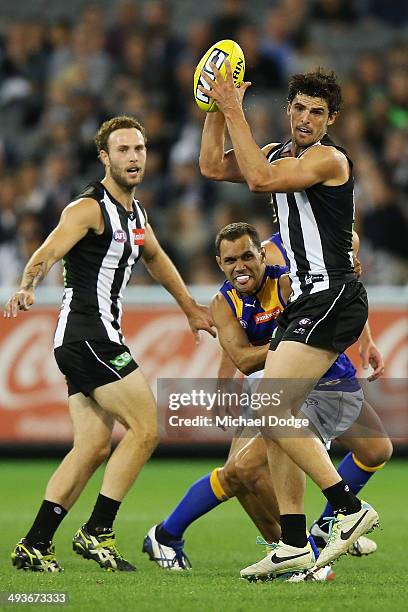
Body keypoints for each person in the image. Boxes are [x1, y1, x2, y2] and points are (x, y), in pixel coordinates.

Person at [4, 115, 215, 573]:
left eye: (139, 149)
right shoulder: (89, 208)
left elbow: (156, 259)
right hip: (87, 335)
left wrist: (190, 309)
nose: (134, 157)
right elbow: (47, 251)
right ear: (105, 157)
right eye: (123, 150)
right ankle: (98, 530)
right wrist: (27, 283)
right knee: (146, 428)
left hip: (89, 339)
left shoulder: (136, 215)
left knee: (94, 446)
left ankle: (35, 543)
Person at [198, 66, 381, 576]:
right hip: (307, 302)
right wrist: (213, 108)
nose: (305, 118)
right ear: (289, 110)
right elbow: (213, 167)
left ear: (331, 121)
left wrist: (234, 108)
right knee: (275, 417)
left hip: (333, 296)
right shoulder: (279, 153)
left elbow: (257, 180)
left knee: (275, 405)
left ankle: (347, 508)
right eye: (299, 108)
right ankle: (295, 542)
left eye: (316, 112)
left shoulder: (329, 158)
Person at [142, 223, 391, 576]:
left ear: (261, 254)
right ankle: (300, 546)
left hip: (326, 381)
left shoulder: (289, 277)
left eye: (247, 256)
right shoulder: (224, 301)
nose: (240, 265)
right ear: (219, 263)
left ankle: (323, 528)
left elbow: (340, 281)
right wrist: (235, 375)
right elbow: (241, 357)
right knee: (242, 470)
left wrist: (361, 339)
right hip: (275, 389)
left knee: (377, 449)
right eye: (230, 260)